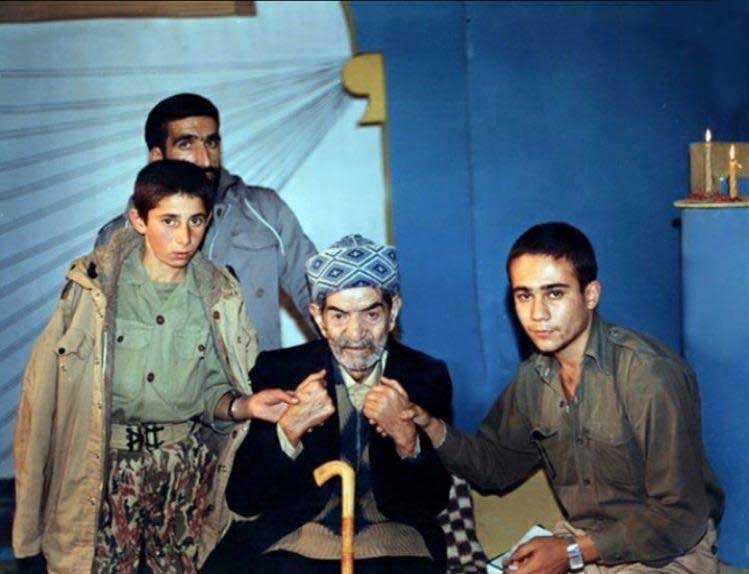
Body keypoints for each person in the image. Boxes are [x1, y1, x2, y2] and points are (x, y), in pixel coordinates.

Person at [13, 160, 297, 573]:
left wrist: (245, 406)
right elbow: (42, 398)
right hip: (101, 472)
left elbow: (212, 392)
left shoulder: (219, 296)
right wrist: (28, 524)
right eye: (169, 221)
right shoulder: (94, 288)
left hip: (183, 475)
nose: (184, 237)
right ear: (138, 220)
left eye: (196, 221)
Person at [408, 222, 724, 574]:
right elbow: (495, 467)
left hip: (668, 552)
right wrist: (429, 425)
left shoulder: (647, 375)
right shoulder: (533, 379)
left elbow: (679, 517)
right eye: (524, 295)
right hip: (585, 542)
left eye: (554, 294)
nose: (537, 314)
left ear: (590, 295)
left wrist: (572, 551)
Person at [205, 235, 453, 574]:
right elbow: (244, 499)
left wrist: (408, 441)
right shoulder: (280, 371)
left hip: (395, 543)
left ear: (393, 311)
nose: (356, 333)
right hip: (293, 538)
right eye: (339, 316)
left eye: (371, 314)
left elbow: (434, 500)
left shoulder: (424, 376)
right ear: (318, 318)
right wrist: (288, 429)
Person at [96, 92, 317, 351]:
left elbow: (316, 294)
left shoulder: (265, 211)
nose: (204, 159)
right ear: (157, 156)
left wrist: (347, 362)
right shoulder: (119, 235)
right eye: (186, 144)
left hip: (258, 373)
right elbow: (97, 336)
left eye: (211, 142)